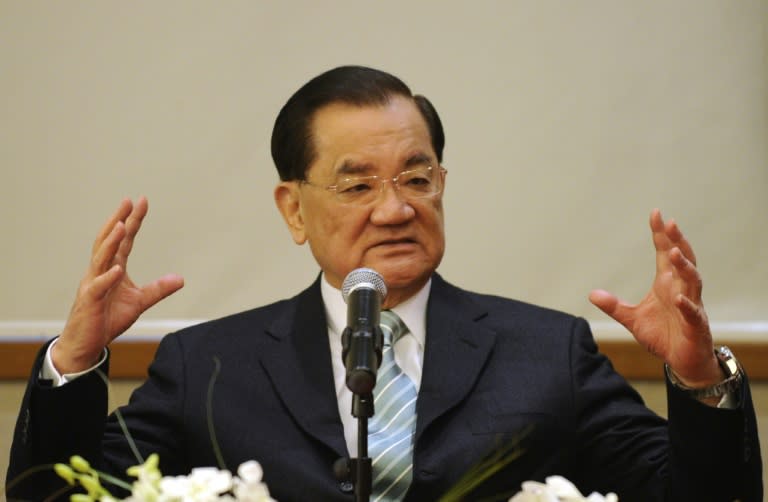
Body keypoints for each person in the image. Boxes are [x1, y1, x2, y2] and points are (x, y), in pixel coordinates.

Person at [6, 65, 762, 502]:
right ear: (292, 209)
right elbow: (55, 496)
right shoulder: (208, 364)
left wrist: (698, 380)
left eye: (415, 176)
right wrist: (73, 361)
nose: (396, 207)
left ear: (442, 184)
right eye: (357, 184)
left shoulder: (547, 351)